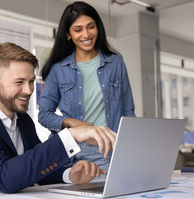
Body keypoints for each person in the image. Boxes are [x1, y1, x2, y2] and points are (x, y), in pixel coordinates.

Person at [0, 42, 117, 195]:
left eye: (31, 81)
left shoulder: (23, 120)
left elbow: (36, 169)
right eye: (19, 82)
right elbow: (5, 178)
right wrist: (70, 136)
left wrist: (70, 174)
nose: (29, 90)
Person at [39, 1, 135, 170]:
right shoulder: (58, 70)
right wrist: (73, 122)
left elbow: (128, 112)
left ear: (98, 27)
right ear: (68, 34)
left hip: (105, 150)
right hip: (69, 150)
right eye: (78, 30)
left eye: (91, 27)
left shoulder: (115, 63)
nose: (86, 34)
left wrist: (130, 148)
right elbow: (44, 115)